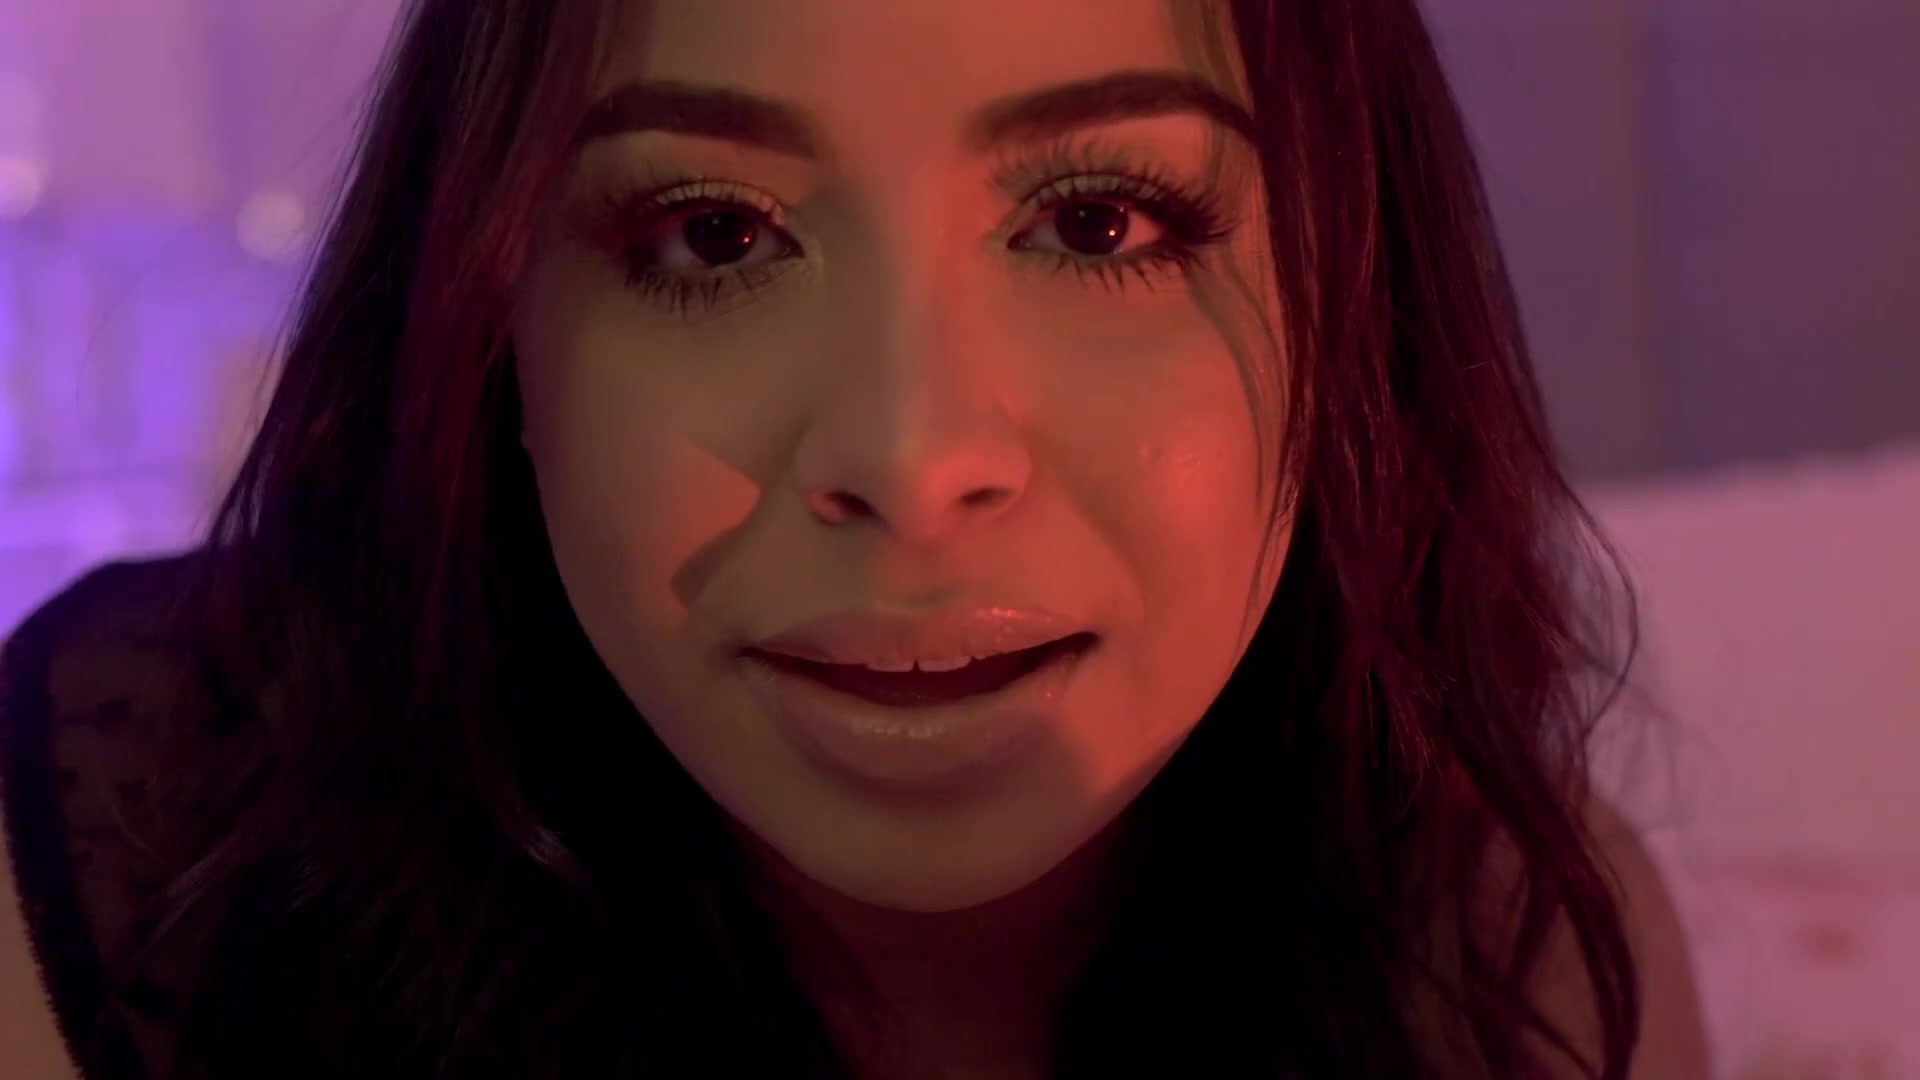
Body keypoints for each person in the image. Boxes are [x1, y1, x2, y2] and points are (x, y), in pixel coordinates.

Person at [0, 1, 1713, 1076]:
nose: (913, 461)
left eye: (1097, 222)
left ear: (1356, 307)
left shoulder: (1500, 964)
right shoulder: (127, 859)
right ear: (491, 324)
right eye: (714, 233)